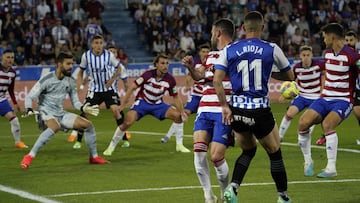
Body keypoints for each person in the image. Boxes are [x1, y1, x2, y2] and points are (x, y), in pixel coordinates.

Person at [213, 11, 293, 203]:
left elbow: (217, 80)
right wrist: (269, 73)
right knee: (275, 152)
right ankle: (283, 197)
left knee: (248, 151)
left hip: (237, 110)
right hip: (259, 110)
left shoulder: (229, 50)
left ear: (243, 28)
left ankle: (233, 187)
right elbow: (290, 77)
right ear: (262, 27)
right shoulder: (271, 48)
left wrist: (224, 106)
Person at [20, 52, 109, 170]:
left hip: (60, 113)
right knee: (55, 126)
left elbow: (75, 102)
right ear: (59, 64)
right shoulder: (47, 79)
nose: (71, 66)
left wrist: (83, 108)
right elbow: (30, 97)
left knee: (88, 125)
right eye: (68, 64)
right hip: (44, 112)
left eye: (72, 64)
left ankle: (94, 157)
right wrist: (29, 108)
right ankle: (30, 156)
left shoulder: (71, 81)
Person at [297, 23, 359, 178]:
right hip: (325, 98)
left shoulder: (352, 56)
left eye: (324, 36)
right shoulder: (327, 54)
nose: (323, 40)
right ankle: (308, 160)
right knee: (303, 122)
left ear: (332, 37)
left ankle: (331, 168)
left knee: (327, 124)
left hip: (344, 100)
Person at [184, 18, 234, 203]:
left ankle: (224, 193)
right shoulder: (211, 56)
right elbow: (200, 75)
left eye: (213, 32)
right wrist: (190, 68)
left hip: (224, 111)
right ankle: (208, 195)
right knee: (198, 151)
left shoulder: (234, 53)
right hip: (205, 109)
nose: (211, 36)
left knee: (216, 157)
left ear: (219, 33)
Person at [102, 53, 190, 155]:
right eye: (162, 63)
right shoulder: (147, 75)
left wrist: (182, 112)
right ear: (156, 64)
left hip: (158, 105)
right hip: (142, 103)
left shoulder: (170, 80)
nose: (165, 66)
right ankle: (111, 146)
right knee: (127, 123)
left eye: (167, 63)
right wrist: (122, 105)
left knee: (178, 116)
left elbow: (176, 96)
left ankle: (179, 145)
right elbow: (132, 87)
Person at [67, 35, 126, 150]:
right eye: (96, 43)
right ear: (92, 45)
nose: (99, 45)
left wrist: (112, 79)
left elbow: (119, 68)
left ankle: (123, 138)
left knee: (116, 111)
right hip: (94, 90)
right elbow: (81, 71)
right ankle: (78, 140)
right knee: (86, 114)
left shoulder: (109, 55)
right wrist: (80, 85)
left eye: (100, 43)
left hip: (108, 89)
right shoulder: (87, 56)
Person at [316, 30, 360, 145]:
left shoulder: (355, 55)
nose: (349, 42)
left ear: (356, 40)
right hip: (352, 91)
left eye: (351, 40)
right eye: (347, 40)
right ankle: (326, 135)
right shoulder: (339, 54)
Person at [160, 44, 210, 147]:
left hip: (207, 96)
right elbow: (189, 75)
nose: (205, 53)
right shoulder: (196, 64)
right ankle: (168, 136)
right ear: (199, 53)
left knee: (208, 118)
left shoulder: (212, 64)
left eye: (207, 51)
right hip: (196, 96)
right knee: (183, 114)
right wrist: (187, 85)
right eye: (203, 51)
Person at [279, 45, 325, 143]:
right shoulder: (296, 68)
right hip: (302, 96)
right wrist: (284, 94)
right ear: (300, 56)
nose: (306, 57)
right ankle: (279, 136)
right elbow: (291, 82)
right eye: (304, 55)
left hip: (316, 97)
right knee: (290, 114)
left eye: (308, 55)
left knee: (309, 119)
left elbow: (326, 73)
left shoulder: (319, 65)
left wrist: (323, 91)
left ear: (312, 55)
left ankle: (304, 139)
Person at [0, 49, 28, 149]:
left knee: (14, 120)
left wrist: (15, 103)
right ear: (2, 58)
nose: (10, 60)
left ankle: (18, 142)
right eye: (8, 57)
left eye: (12, 57)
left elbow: (11, 89)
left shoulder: (12, 73)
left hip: (2, 100)